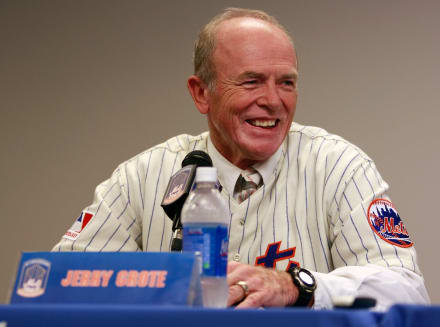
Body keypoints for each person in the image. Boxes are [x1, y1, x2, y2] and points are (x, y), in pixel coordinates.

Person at [52, 8, 429, 310]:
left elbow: (407, 291)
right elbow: (59, 286)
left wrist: (297, 286)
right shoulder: (142, 177)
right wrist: (160, 289)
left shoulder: (339, 167)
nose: (273, 100)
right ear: (201, 93)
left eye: (287, 82)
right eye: (251, 81)